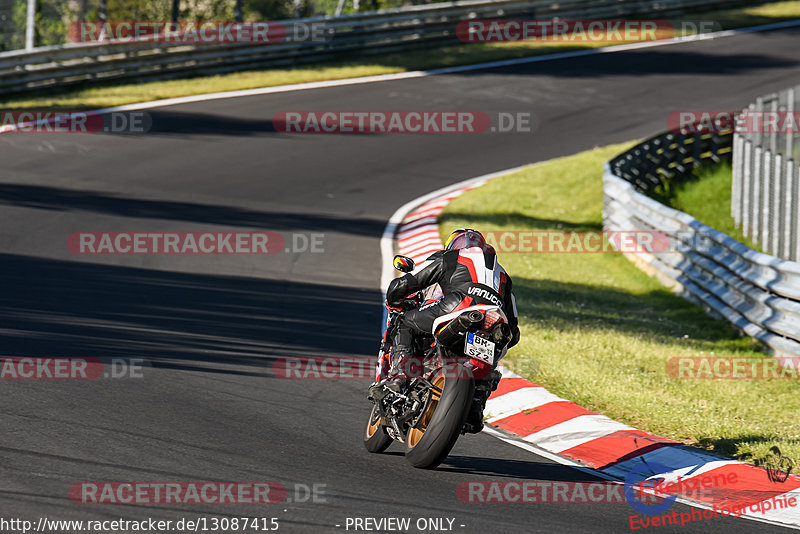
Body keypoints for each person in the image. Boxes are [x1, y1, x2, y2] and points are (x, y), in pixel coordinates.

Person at [371, 228, 521, 430]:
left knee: (405, 321)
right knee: (494, 354)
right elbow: (514, 331)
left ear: (453, 245)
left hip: (458, 307)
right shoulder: (503, 276)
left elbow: (408, 282)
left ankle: (399, 377)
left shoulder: (449, 257)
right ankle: (476, 403)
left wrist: (396, 297)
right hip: (495, 323)